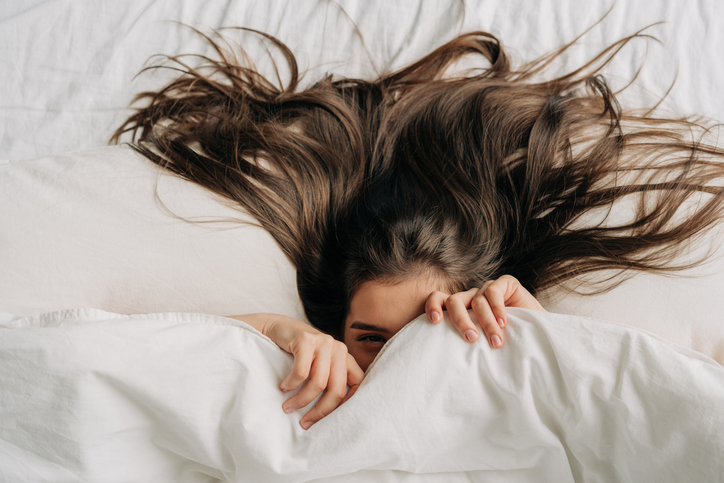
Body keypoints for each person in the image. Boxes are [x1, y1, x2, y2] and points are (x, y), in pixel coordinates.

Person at [112, 29, 724, 429]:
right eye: (373, 339)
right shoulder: (317, 364)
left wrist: (536, 331)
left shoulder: (510, 355)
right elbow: (161, 349)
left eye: (420, 331)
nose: (396, 363)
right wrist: (285, 331)